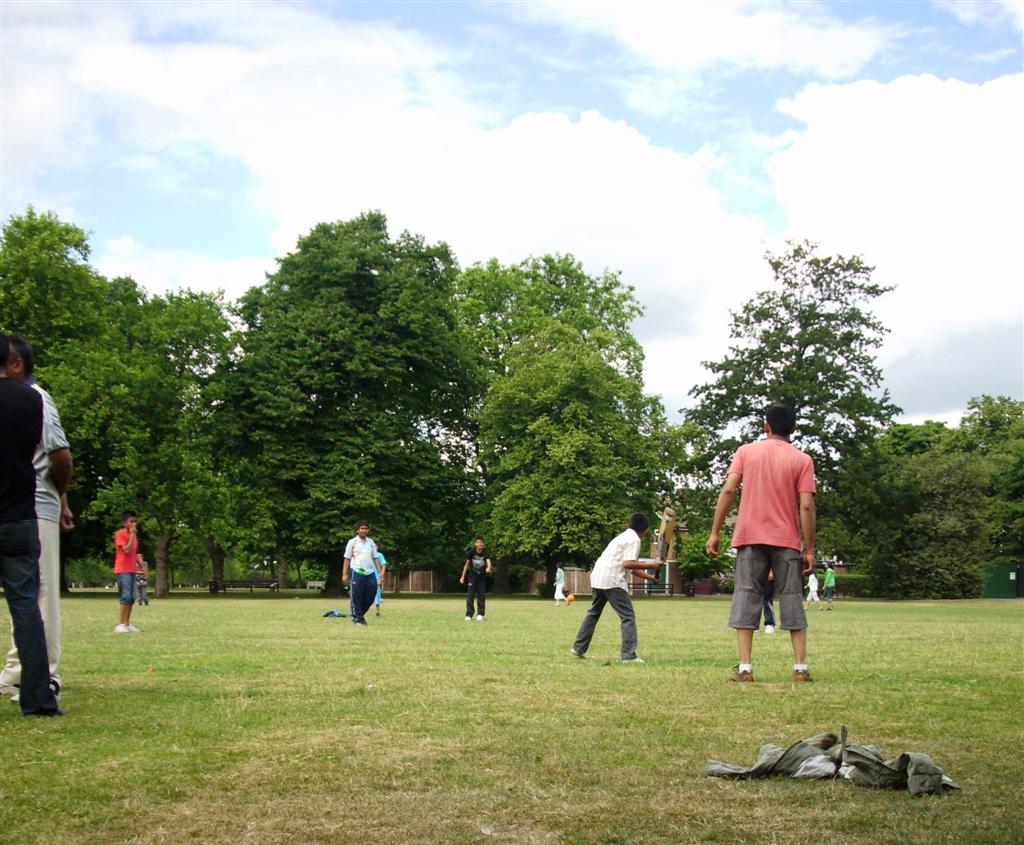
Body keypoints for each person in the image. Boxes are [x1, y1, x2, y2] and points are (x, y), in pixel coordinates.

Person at [706, 404, 816, 683]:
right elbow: (806, 506)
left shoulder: (746, 452)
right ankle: (800, 668)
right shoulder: (802, 460)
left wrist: (715, 531)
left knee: (746, 595)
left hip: (749, 537)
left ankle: (745, 667)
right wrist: (809, 548)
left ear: (766, 426)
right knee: (791, 597)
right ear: (793, 429)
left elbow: (729, 489)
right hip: (787, 540)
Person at [0, 336, 73, 703]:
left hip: (36, 505)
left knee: (40, 596)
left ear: (17, 365)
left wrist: (60, 498)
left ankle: (46, 677)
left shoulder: (37, 398)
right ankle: (17, 673)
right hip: (20, 508)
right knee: (25, 598)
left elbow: (60, 456)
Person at [570, 513, 661, 664]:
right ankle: (628, 655)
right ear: (645, 531)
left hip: (598, 576)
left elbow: (630, 566)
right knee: (628, 616)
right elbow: (628, 564)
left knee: (593, 613)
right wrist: (652, 565)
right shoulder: (634, 540)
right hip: (612, 580)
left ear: (627, 525)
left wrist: (651, 577)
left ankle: (578, 647)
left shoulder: (622, 537)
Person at [343, 520, 380, 626]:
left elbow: (375, 558)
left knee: (371, 594)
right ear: (357, 530)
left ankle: (358, 615)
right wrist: (344, 574)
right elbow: (347, 558)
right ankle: (358, 619)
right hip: (357, 571)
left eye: (366, 528)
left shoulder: (371, 542)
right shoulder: (352, 542)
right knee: (357, 596)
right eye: (362, 528)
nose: (364, 530)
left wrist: (380, 573)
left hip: (370, 573)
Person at [114, 512, 141, 632]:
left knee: (132, 597)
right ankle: (121, 624)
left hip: (132, 570)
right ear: (124, 523)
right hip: (122, 569)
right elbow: (126, 549)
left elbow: (134, 553)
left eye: (135, 521)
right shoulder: (120, 534)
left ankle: (127, 623)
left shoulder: (135, 537)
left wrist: (141, 567)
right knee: (125, 596)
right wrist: (132, 536)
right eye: (131, 521)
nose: (134, 524)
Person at [460, 536, 492, 621]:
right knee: (470, 595)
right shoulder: (471, 552)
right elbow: (467, 565)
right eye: (478, 542)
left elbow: (488, 561)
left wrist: (488, 568)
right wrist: (462, 576)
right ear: (475, 544)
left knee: (481, 595)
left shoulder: (486, 552)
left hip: (482, 577)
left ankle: (480, 614)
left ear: (483, 544)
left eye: (481, 542)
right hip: (472, 576)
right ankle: (469, 614)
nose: (480, 544)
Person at [373, 550, 387, 617]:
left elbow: (384, 565)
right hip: (366, 576)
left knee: (377, 594)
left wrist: (381, 576)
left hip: (377, 578)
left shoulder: (379, 555)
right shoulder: (366, 555)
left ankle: (377, 612)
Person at [762, 569, 776, 634]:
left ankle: (769, 623)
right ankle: (752, 623)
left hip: (766, 572)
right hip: (753, 570)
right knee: (752, 598)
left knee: (767, 598)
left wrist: (771, 570)